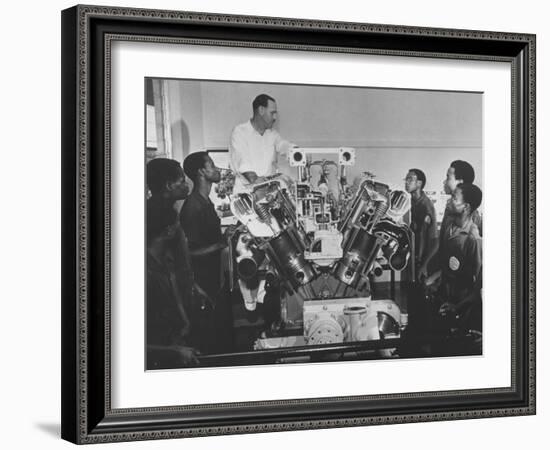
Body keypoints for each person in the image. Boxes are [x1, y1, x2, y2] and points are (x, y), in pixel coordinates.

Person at [180, 151, 235, 353]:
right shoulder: (193, 207)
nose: (217, 169)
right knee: (210, 342)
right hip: (203, 286)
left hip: (213, 280)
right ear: (201, 172)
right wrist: (221, 243)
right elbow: (188, 253)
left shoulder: (205, 202)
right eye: (211, 165)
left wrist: (227, 235)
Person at [146, 201, 199, 368]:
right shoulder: (145, 274)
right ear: (168, 231)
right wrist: (174, 351)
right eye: (177, 223)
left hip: (173, 340)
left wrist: (185, 322)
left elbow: (174, 286)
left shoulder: (163, 258)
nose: (179, 227)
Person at [418, 159, 482, 279]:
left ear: (460, 182)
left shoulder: (472, 219)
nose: (444, 181)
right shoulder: (450, 211)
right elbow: (443, 242)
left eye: (448, 177)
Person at [437, 183, 483, 332]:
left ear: (466, 207)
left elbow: (478, 288)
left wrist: (457, 307)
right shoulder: (449, 225)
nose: (449, 200)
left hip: (461, 307)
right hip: (444, 296)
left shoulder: (472, 238)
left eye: (454, 198)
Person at [229, 93, 294, 190]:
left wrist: (295, 151)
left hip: (268, 193)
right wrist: (257, 181)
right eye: (272, 113)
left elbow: (283, 145)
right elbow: (242, 161)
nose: (275, 118)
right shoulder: (240, 132)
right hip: (246, 196)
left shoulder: (272, 134)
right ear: (261, 110)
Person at [404, 169, 437, 279]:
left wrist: (424, 265)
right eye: (406, 179)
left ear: (419, 183)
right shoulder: (408, 202)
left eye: (410, 179)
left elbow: (434, 241)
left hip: (421, 259)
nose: (406, 182)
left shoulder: (426, 206)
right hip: (410, 255)